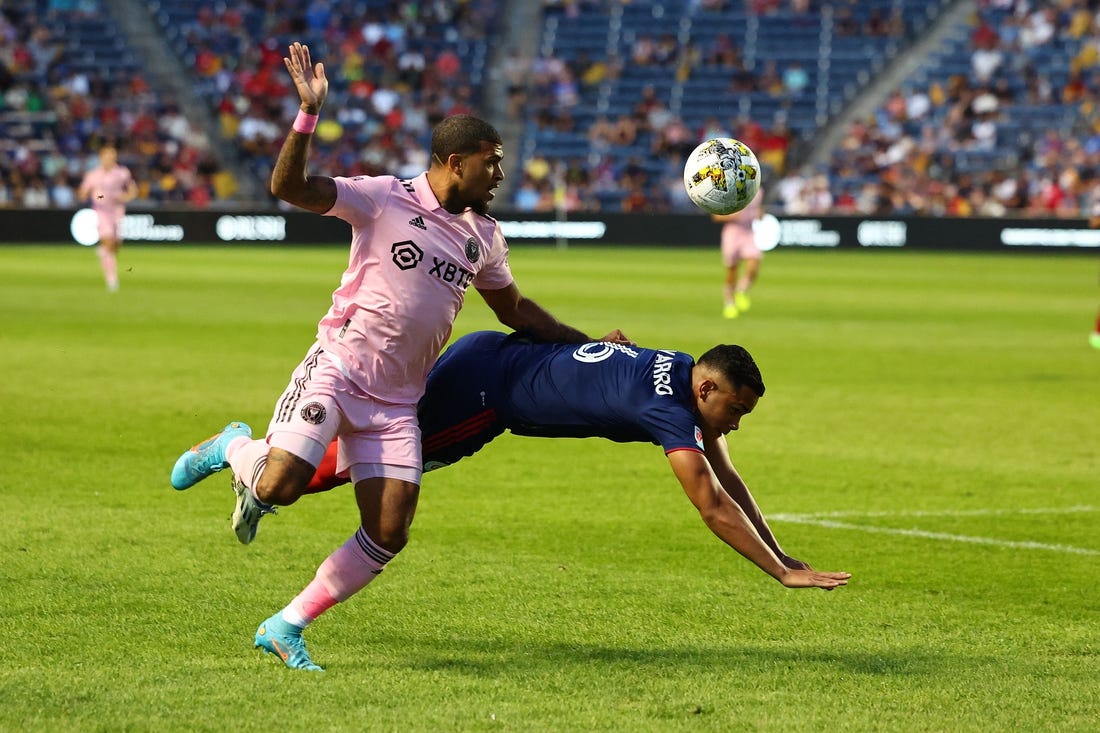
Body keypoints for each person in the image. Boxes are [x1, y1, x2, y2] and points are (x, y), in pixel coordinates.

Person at [168, 43, 629, 672]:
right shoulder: (384, 198)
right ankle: (231, 447)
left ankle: (285, 624)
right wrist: (307, 115)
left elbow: (516, 312)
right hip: (336, 369)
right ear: (454, 161)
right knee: (279, 485)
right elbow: (288, 187)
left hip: (396, 403)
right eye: (491, 165)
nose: (500, 176)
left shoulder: (484, 237)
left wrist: (590, 345)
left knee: (389, 531)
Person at [183, 331, 851, 658]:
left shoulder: (680, 369)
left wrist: (785, 555)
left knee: (352, 467)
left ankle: (252, 469)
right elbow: (710, 504)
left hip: (491, 354)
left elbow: (728, 479)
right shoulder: (670, 410)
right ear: (708, 390)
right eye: (735, 410)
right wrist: (780, 573)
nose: (735, 424)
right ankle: (237, 451)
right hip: (482, 398)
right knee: (355, 475)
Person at [76, 145, 137, 292]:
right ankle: (111, 279)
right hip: (101, 211)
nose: (110, 159)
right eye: (107, 156)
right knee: (109, 240)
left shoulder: (122, 173)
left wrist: (125, 197)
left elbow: (132, 190)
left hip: (117, 210)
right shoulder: (93, 175)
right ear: (101, 157)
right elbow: (83, 192)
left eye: (112, 156)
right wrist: (90, 195)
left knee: (116, 245)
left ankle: (104, 252)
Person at [712, 186, 765, 319]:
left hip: (748, 232)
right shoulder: (730, 191)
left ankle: (741, 290)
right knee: (732, 270)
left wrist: (759, 214)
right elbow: (716, 216)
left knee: (753, 266)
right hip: (733, 233)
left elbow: (758, 210)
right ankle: (729, 303)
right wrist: (733, 215)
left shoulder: (758, 191)